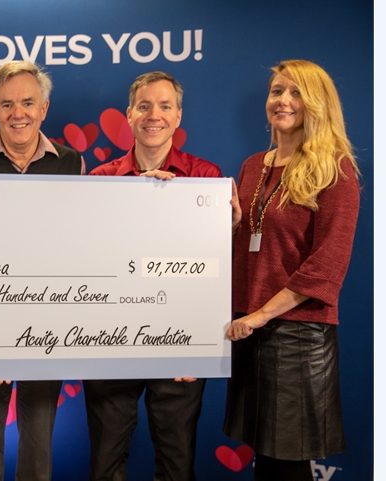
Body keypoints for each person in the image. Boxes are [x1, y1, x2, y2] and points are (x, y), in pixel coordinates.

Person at [85, 71, 238, 481]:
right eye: (145, 106)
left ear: (178, 116)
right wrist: (139, 203)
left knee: (176, 464)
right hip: (109, 339)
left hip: (179, 346)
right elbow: (87, 259)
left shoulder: (205, 179)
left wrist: (198, 344)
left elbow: (212, 266)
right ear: (129, 115)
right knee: (104, 462)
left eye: (165, 106)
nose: (155, 115)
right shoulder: (98, 181)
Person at [0, 60, 83, 481]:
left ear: (44, 108)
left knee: (39, 442)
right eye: (7, 104)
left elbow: (83, 244)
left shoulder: (71, 163)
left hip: (47, 323)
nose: (17, 113)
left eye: (27, 102)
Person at [224, 59, 360, 481]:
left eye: (296, 92)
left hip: (298, 334)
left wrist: (263, 314)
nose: (283, 101)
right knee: (265, 457)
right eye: (277, 91)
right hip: (252, 328)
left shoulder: (334, 168)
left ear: (318, 104)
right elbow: (250, 243)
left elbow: (327, 263)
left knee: (288, 463)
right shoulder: (253, 166)